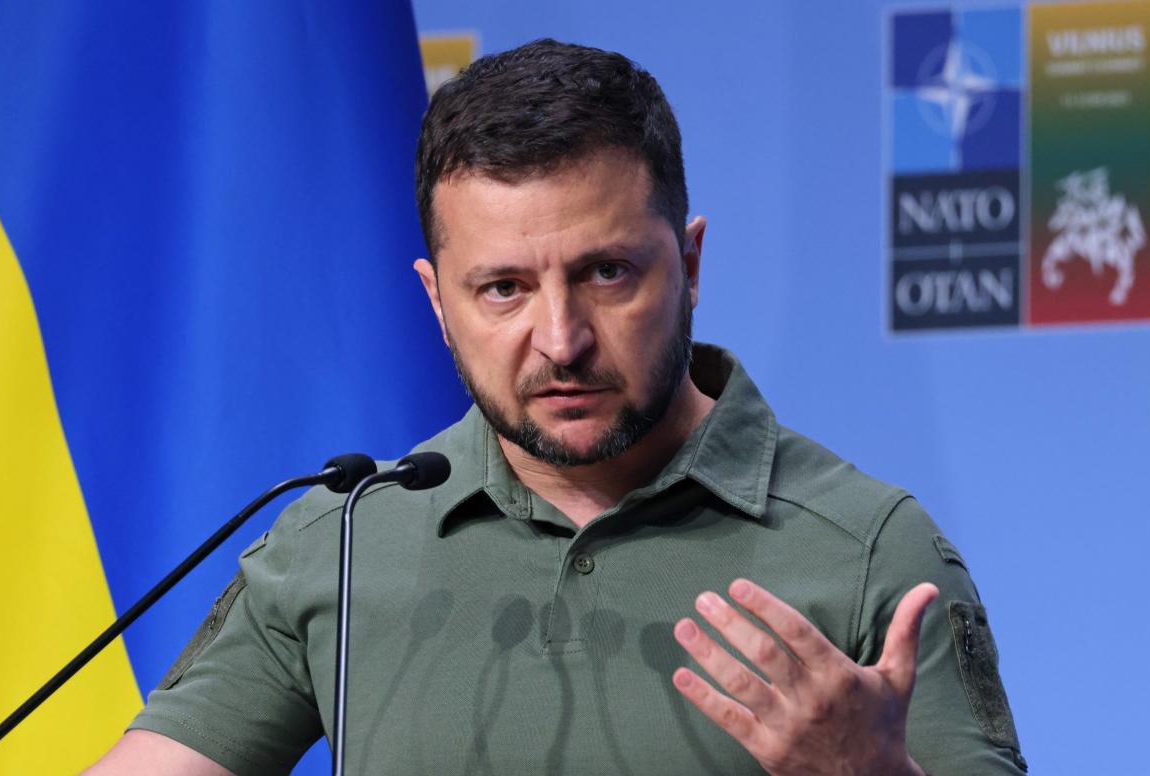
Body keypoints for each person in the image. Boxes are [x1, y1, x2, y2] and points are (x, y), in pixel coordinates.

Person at [89, 39, 1026, 775]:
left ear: (688, 265)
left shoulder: (867, 548)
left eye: (606, 272)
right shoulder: (339, 537)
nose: (560, 339)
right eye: (501, 289)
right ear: (435, 303)